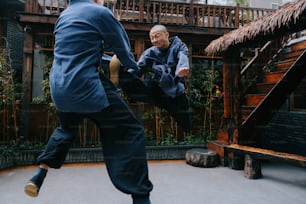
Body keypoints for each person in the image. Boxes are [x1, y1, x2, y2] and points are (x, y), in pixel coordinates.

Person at [24, 1, 153, 203]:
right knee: (130, 130)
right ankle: (141, 197)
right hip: (86, 87)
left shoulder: (64, 17)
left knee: (66, 129)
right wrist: (135, 70)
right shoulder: (100, 12)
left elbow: (82, 54)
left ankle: (39, 175)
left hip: (60, 88)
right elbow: (123, 49)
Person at [113, 24, 192, 132]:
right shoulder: (150, 53)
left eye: (157, 36)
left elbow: (182, 57)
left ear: (166, 34)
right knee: (130, 79)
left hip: (175, 92)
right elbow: (138, 68)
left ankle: (187, 131)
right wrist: (125, 78)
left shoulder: (179, 46)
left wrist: (182, 68)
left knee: (186, 124)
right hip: (157, 89)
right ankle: (119, 74)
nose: (154, 40)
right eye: (151, 38)